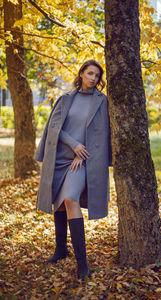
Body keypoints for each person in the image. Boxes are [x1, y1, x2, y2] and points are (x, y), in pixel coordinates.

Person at [35, 60, 112, 281]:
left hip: (83, 160)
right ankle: (61, 250)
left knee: (69, 198)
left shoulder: (102, 101)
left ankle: (83, 263)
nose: (93, 78)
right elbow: (54, 127)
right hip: (61, 156)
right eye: (89, 73)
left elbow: (101, 133)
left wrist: (82, 150)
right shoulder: (66, 98)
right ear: (81, 74)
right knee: (58, 203)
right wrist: (74, 145)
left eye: (97, 76)